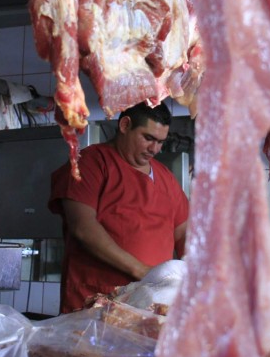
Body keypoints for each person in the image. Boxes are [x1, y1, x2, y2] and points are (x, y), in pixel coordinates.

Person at [48, 102, 189, 314]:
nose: (155, 149)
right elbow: (83, 227)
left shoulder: (166, 177)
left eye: (161, 142)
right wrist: (142, 271)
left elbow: (184, 231)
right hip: (98, 300)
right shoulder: (90, 163)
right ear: (124, 125)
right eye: (148, 138)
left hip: (152, 304)